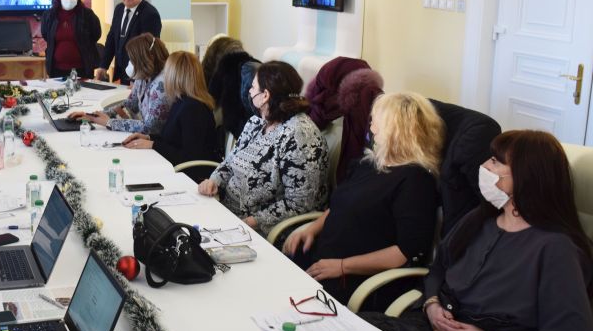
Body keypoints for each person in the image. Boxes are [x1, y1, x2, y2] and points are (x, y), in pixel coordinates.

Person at [363, 130, 593, 331]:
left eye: (495, 161)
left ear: (527, 176)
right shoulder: (481, 218)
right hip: (438, 330)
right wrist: (432, 305)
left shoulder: (556, 248)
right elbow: (438, 269)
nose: (484, 166)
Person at [283, 92, 444, 304]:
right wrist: (312, 229)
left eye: (376, 121)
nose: (371, 127)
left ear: (397, 130)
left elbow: (404, 253)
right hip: (325, 258)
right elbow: (340, 206)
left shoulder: (416, 181)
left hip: (357, 278)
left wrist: (342, 266)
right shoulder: (368, 163)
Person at [198, 61, 329, 235]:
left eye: (253, 87)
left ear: (265, 95)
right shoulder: (256, 122)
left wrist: (251, 222)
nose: (249, 92)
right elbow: (230, 161)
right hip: (227, 213)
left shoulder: (300, 135)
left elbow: (299, 204)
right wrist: (214, 181)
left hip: (260, 230)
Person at [122, 51, 222, 181]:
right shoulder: (181, 101)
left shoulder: (192, 109)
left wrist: (153, 145)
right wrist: (148, 137)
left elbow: (190, 157)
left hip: (191, 177)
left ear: (173, 76)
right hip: (179, 168)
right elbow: (173, 140)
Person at [73, 33, 172, 135]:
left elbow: (150, 128)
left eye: (133, 60)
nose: (130, 64)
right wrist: (93, 116)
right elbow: (130, 104)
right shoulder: (144, 76)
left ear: (148, 59)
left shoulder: (161, 85)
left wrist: (110, 122)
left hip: (160, 141)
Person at [95, 0, 162, 83]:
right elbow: (111, 39)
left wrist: (137, 80)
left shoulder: (150, 14)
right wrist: (103, 66)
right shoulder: (119, 9)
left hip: (138, 76)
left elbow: (148, 50)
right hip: (120, 72)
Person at [40, 0, 102, 78]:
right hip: (56, 69)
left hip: (82, 69)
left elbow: (96, 34)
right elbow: (46, 35)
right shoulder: (49, 15)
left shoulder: (87, 15)